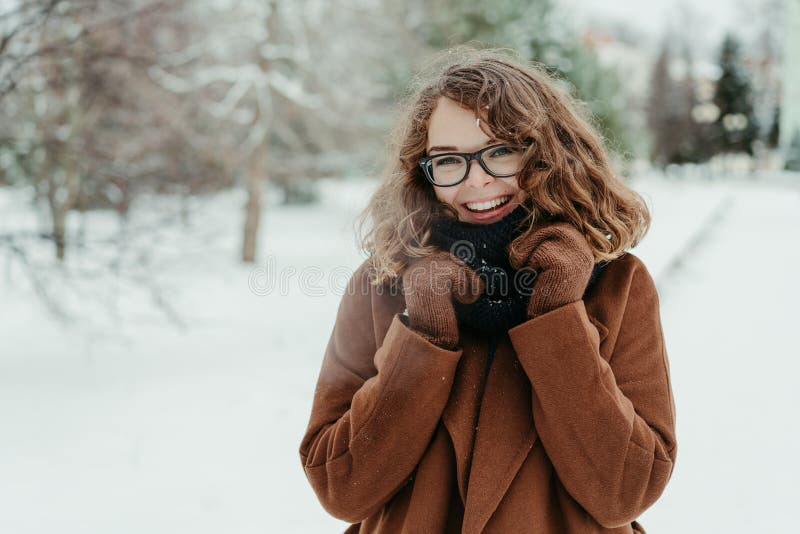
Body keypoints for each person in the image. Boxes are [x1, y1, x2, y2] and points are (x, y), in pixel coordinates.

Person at [298, 46, 677, 533]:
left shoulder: (618, 283)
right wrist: (425, 336)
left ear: (545, 152)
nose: (476, 181)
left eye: (500, 152)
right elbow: (341, 488)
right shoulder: (382, 286)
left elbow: (626, 490)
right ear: (423, 172)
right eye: (449, 161)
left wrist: (558, 315)